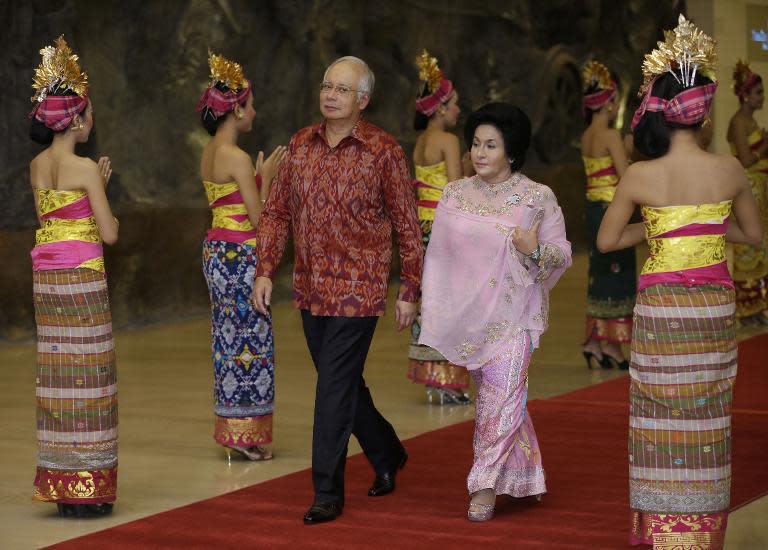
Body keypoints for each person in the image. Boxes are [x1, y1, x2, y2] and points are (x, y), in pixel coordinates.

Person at [597, 16, 763, 549]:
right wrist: (704, 226)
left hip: (662, 306)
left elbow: (606, 241)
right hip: (713, 306)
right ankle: (702, 531)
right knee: (710, 409)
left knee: (656, 407)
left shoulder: (641, 175)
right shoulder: (731, 168)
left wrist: (662, 226)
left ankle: (663, 528)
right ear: (704, 111)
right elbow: (753, 235)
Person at [252, 56, 423, 524]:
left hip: (359, 289)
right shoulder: (300, 145)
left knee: (331, 389)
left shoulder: (382, 151)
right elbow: (276, 212)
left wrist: (410, 287)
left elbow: (408, 225)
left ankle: (326, 491)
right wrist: (265, 268)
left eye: (342, 89)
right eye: (327, 85)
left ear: (362, 100)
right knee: (344, 385)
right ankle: (387, 451)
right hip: (310, 288)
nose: (330, 94)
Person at [419, 102, 572, 522]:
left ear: (512, 151)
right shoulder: (455, 193)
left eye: (491, 145)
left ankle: (483, 485)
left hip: (515, 315)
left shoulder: (537, 198)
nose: (480, 153)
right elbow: (440, 256)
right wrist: (431, 301)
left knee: (500, 399)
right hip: (471, 318)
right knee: (500, 399)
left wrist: (533, 250)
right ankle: (523, 477)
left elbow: (561, 253)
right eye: (476, 144)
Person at [28, 36, 119, 517]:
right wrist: (100, 190)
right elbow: (108, 234)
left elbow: (55, 224)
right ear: (77, 119)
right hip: (83, 282)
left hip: (48, 284)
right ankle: (91, 487)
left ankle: (62, 487)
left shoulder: (37, 166)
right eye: (89, 112)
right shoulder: (84, 167)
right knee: (92, 378)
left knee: (58, 377)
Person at [197, 51, 286, 461]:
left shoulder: (209, 152)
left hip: (216, 254)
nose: (255, 111)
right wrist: (267, 179)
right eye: (250, 104)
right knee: (251, 341)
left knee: (226, 341)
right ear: (235, 109)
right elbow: (258, 217)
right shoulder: (236, 156)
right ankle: (245, 434)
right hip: (239, 258)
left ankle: (233, 429)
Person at [407, 50, 471, 404]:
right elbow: (457, 193)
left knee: (428, 301)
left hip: (422, 228)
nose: (459, 111)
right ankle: (448, 376)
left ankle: (433, 376)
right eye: (455, 104)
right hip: (445, 230)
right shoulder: (448, 141)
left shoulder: (420, 145)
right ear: (441, 107)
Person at [580, 61, 635, 369]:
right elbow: (625, 175)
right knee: (617, 275)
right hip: (612, 210)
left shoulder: (587, 135)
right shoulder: (612, 136)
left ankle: (595, 341)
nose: (616, 107)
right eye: (614, 101)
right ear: (607, 103)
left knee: (598, 275)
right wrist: (628, 149)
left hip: (593, 210)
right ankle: (611, 345)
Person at [727, 59, 768, 325]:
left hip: (760, 188)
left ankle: (758, 303)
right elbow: (744, 159)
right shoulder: (739, 122)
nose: (763, 98)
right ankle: (746, 307)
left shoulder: (750, 121)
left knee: (760, 245)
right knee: (748, 247)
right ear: (745, 95)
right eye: (758, 93)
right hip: (749, 188)